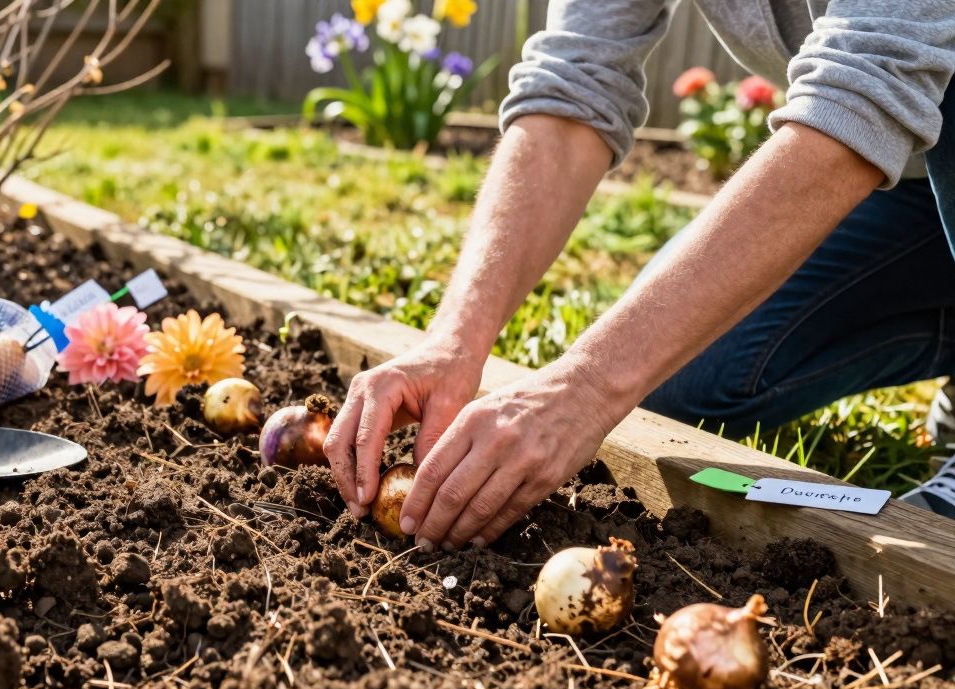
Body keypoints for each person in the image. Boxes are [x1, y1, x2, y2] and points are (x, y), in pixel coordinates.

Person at [322, 1, 955, 551]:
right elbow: (574, 80)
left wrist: (584, 387)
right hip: (899, 182)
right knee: (670, 375)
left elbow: (868, 79)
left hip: (891, 129)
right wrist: (454, 341)